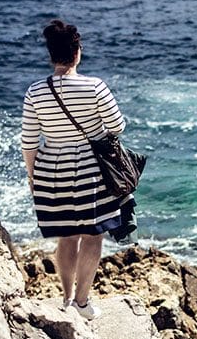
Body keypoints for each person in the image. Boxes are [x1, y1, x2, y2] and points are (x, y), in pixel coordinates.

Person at [21, 19, 127, 320]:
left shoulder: (35, 92)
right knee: (92, 237)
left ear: (51, 55)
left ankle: (67, 300)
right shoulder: (94, 86)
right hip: (92, 171)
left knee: (66, 237)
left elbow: (29, 142)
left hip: (52, 171)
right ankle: (82, 302)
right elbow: (117, 126)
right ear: (77, 52)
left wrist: (33, 177)